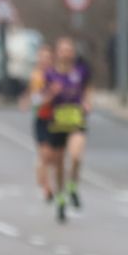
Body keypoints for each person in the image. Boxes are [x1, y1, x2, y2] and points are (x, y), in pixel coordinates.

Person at [42, 37, 93, 225]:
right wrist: (52, 93)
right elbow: (43, 100)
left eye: (69, 50)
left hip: (76, 119)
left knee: (76, 155)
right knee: (59, 164)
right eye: (63, 50)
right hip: (57, 121)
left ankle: (72, 186)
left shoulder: (81, 71)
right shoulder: (50, 74)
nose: (66, 53)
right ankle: (61, 196)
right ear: (57, 53)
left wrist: (87, 103)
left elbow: (87, 89)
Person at [21, 44, 56, 204]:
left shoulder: (57, 75)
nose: (44, 60)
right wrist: (26, 101)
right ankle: (47, 188)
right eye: (41, 57)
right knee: (45, 153)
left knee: (53, 156)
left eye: (47, 57)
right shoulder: (35, 76)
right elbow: (31, 94)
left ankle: (45, 174)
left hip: (56, 118)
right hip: (41, 118)